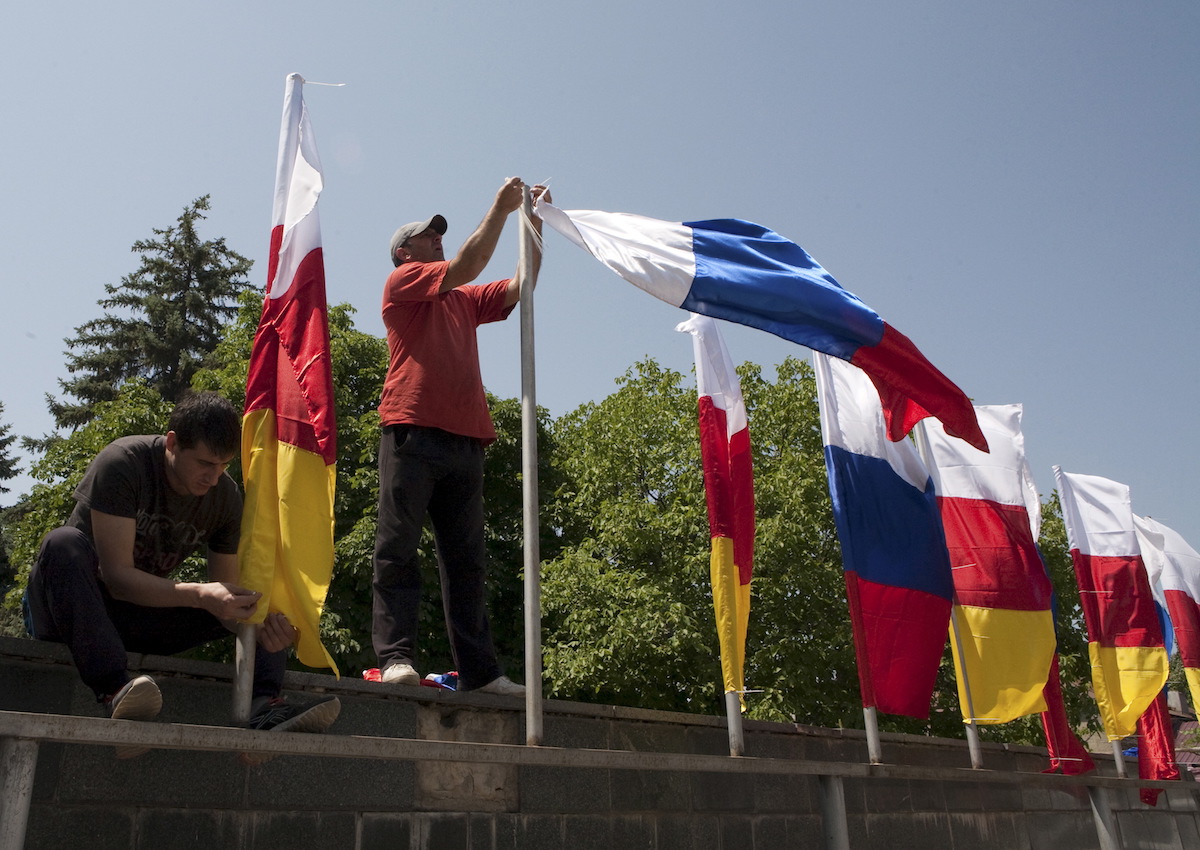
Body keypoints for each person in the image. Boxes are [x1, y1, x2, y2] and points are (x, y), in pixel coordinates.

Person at [24, 392, 339, 754]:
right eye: (205, 463)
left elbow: (228, 597)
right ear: (172, 443)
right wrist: (199, 594)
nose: (213, 477)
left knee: (253, 599)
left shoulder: (225, 497)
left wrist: (264, 627)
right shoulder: (123, 463)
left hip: (138, 617)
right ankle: (115, 691)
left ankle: (264, 705)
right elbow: (115, 578)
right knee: (62, 543)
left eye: (223, 465)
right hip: (73, 609)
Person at [373, 177, 549, 695]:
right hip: (411, 428)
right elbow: (469, 263)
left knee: (468, 562)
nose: (437, 240)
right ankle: (396, 658)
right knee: (398, 548)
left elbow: (521, 286)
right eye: (428, 237)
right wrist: (500, 206)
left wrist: (533, 225)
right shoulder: (403, 283)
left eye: (439, 236)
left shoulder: (463, 300)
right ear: (405, 253)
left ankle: (480, 673)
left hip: (466, 439)